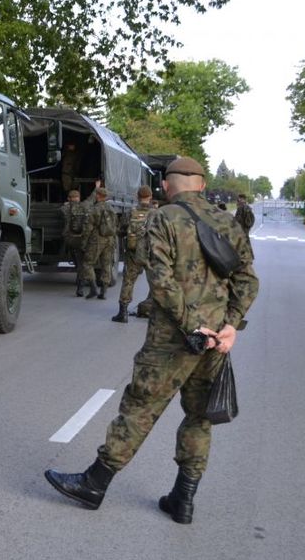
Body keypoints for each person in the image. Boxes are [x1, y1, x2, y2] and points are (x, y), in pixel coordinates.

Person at [44, 157, 259, 524]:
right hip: (215, 342)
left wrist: (192, 326)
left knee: (140, 408)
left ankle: (94, 483)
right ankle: (183, 499)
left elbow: (160, 281)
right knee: (200, 417)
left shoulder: (163, 218)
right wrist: (229, 327)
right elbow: (248, 281)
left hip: (173, 340)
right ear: (203, 185)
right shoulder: (229, 222)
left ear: (167, 185)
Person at [112, 186, 154, 323]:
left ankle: (122, 313)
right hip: (152, 254)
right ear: (151, 196)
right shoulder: (158, 214)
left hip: (133, 252)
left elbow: (121, 231)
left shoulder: (130, 212)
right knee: (156, 283)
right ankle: (155, 313)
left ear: (137, 196)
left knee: (128, 281)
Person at [80, 186, 117, 300]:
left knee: (87, 263)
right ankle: (104, 291)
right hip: (109, 239)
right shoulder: (112, 209)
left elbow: (88, 227)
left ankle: (93, 288)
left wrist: (83, 242)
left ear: (98, 196)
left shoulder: (95, 209)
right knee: (106, 264)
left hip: (97, 239)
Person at [60, 189, 89, 297]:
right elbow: (90, 200)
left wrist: (66, 204)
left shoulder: (65, 208)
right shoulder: (84, 206)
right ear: (79, 198)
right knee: (84, 262)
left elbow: (63, 212)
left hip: (71, 239)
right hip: (83, 238)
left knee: (78, 261)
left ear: (68, 198)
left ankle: (80, 284)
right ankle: (85, 285)